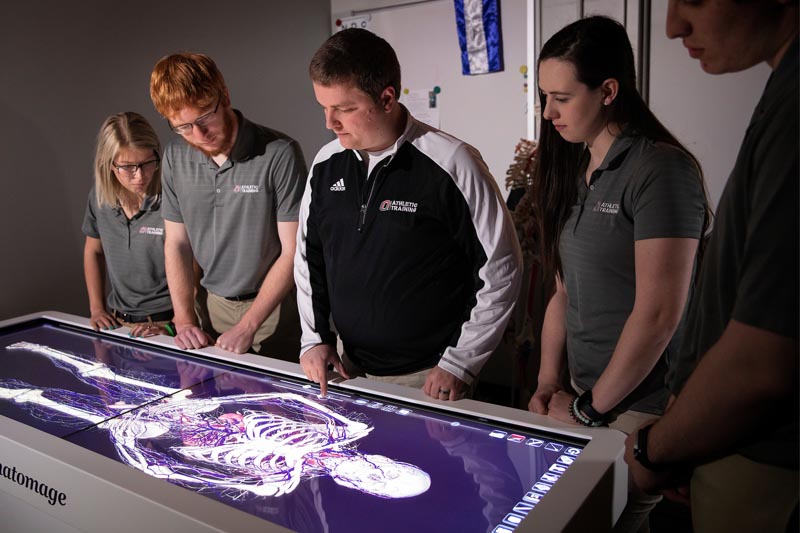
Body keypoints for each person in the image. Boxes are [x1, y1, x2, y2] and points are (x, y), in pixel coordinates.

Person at [525, 16, 711, 532]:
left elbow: (658, 314)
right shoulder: (575, 169)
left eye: (561, 97)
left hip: (638, 408)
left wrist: (588, 410)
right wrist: (547, 382)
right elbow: (563, 292)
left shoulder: (661, 170)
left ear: (608, 91)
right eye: (544, 96)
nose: (547, 112)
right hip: (583, 396)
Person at [624, 3, 798, 532]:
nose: (674, 25)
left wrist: (658, 449)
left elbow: (761, 364)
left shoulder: (792, 108)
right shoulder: (781, 91)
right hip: (717, 438)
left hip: (765, 457)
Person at [295, 28, 522, 401]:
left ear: (387, 98)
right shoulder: (325, 164)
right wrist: (314, 339)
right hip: (346, 368)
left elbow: (502, 268)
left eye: (344, 109)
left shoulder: (452, 162)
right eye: (324, 107)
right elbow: (308, 259)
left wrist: (460, 362)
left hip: (429, 376)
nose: (329, 123)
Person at [149, 53, 306, 359]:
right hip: (211, 306)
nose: (199, 135)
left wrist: (249, 325)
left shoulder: (279, 153)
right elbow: (177, 244)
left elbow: (293, 251)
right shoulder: (174, 157)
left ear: (224, 95)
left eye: (205, 117)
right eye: (183, 127)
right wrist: (183, 319)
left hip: (273, 309)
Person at [82, 112, 173, 338]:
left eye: (147, 163)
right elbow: (93, 251)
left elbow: (191, 264)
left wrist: (175, 324)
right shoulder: (99, 198)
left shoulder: (171, 199)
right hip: (118, 323)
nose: (140, 176)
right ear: (109, 165)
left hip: (165, 324)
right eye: (128, 167)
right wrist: (96, 308)